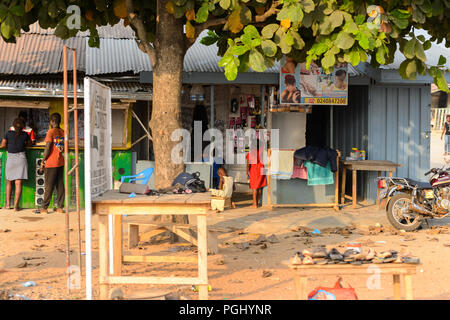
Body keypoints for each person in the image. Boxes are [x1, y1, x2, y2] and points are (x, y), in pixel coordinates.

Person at [1, 118, 32, 211]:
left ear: (13, 125)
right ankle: (15, 207)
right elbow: (30, 145)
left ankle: (7, 205)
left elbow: (3, 145)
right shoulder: (25, 135)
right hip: (21, 158)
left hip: (11, 158)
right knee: (18, 183)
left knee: (8, 182)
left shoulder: (8, 133)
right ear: (23, 127)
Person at [39, 113, 65, 214]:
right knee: (59, 185)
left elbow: (48, 147)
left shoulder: (50, 132)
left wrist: (42, 162)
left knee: (48, 185)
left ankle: (44, 208)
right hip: (60, 161)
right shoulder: (62, 132)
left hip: (51, 162)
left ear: (52, 121)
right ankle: (60, 207)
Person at [246, 141, 267, 208]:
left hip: (254, 171)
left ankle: (254, 204)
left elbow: (248, 165)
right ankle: (257, 202)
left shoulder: (250, 154)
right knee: (259, 187)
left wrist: (247, 172)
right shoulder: (261, 152)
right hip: (262, 169)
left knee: (254, 187)